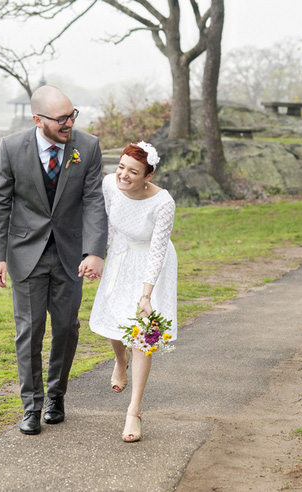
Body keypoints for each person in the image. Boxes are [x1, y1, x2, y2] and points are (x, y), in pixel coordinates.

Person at [0, 85, 107, 435]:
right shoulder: (11, 148)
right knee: (29, 330)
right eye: (61, 118)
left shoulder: (87, 146)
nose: (69, 122)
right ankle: (32, 406)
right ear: (38, 120)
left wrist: (95, 250)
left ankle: (56, 396)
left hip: (71, 255)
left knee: (67, 329)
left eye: (72, 115)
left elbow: (94, 200)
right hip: (26, 253)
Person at [89, 141, 177, 442]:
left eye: (133, 172)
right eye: (121, 167)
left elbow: (158, 250)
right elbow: (106, 224)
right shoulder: (108, 185)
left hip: (152, 264)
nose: (123, 175)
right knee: (114, 323)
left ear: (148, 176)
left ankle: (134, 411)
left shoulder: (164, 203)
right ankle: (120, 361)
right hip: (119, 256)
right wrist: (99, 257)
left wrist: (146, 295)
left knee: (142, 336)